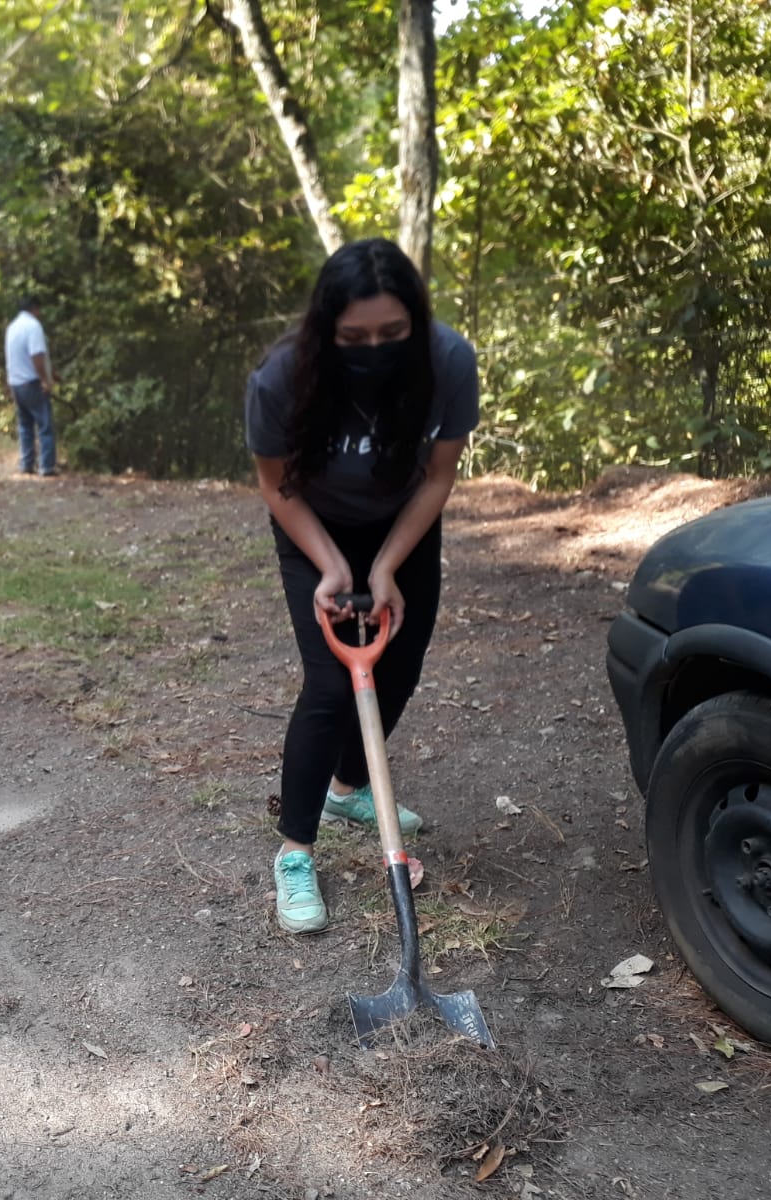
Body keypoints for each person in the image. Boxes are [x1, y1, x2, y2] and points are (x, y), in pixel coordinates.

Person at [244, 237, 480, 934]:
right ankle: (295, 852)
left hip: (401, 528)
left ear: (416, 320)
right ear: (326, 328)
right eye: (354, 337)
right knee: (327, 685)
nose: (373, 348)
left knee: (399, 669)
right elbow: (275, 486)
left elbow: (439, 476)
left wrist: (384, 567)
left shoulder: (448, 361)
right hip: (313, 527)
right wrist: (334, 568)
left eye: (391, 334)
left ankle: (347, 790)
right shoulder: (280, 379)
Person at [4, 296, 58, 476]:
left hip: (17, 383)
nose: (40, 314)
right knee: (45, 425)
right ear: (34, 308)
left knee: (25, 425)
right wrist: (44, 379)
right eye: (39, 310)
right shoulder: (33, 326)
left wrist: (53, 374)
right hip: (32, 383)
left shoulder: (12, 327)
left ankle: (27, 464)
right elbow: (36, 355)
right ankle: (47, 466)